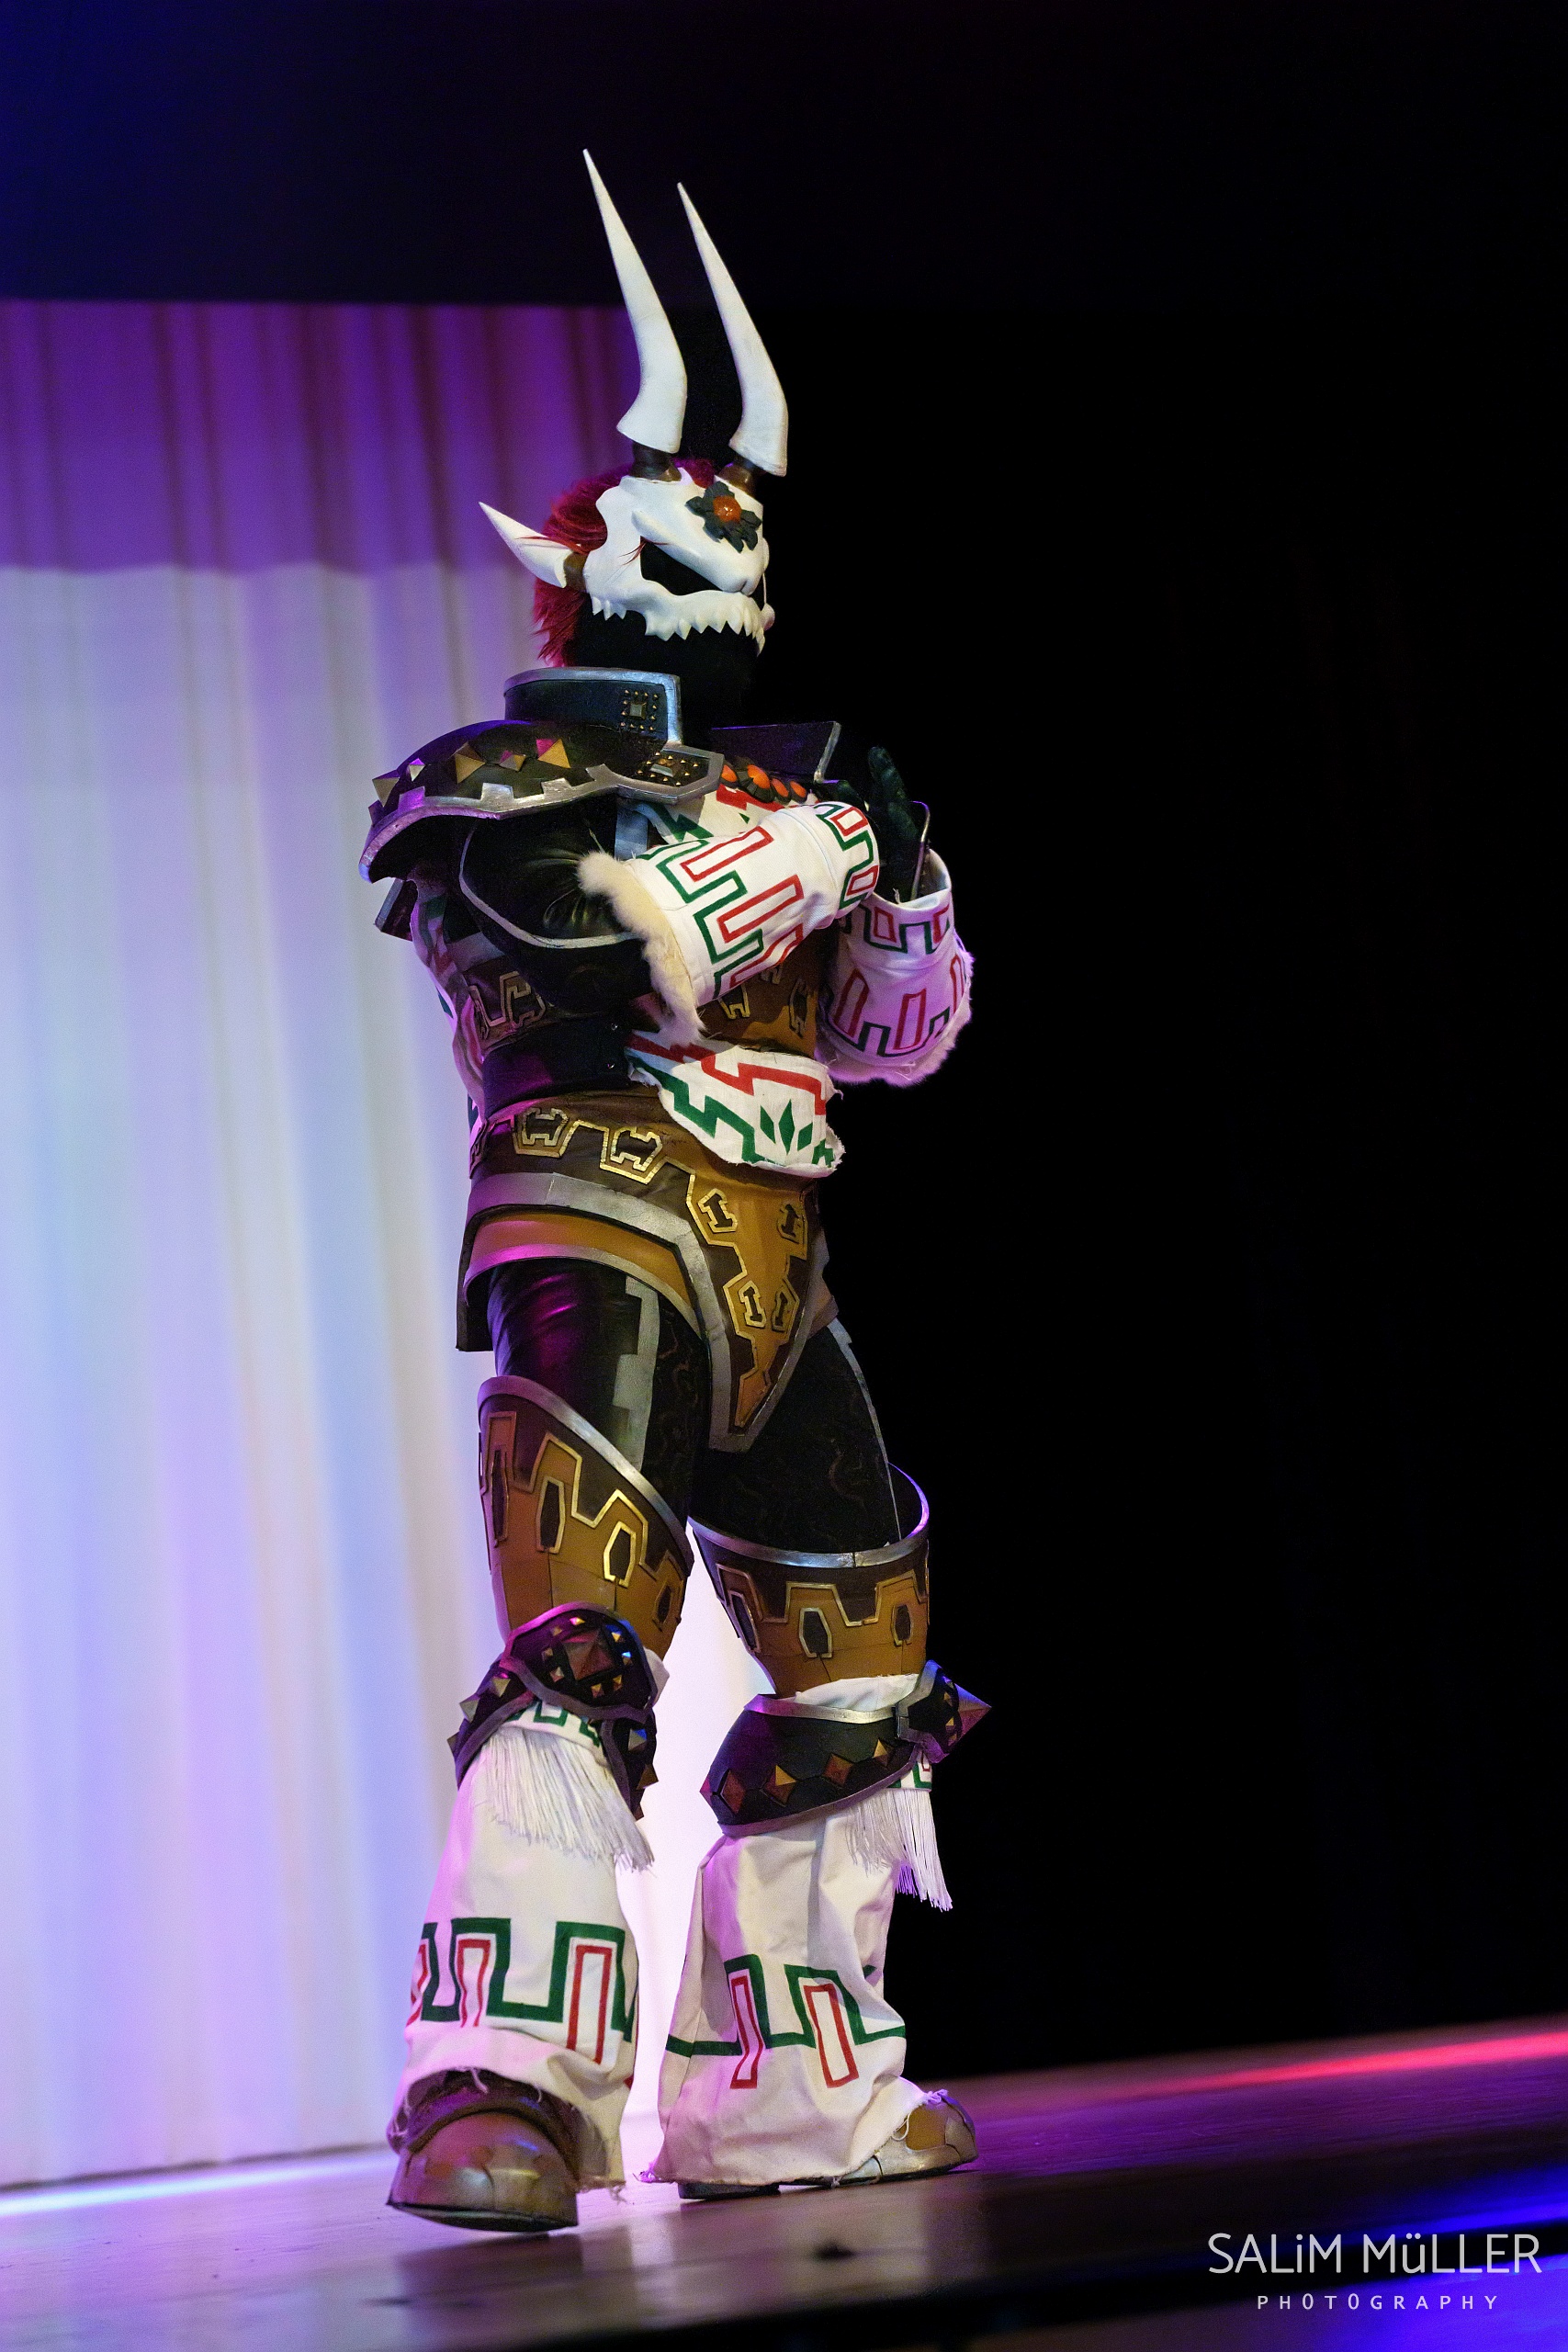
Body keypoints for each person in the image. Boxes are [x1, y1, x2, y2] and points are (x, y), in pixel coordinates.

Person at [361, 157, 982, 2231]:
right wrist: (811, 853)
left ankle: (785, 2086)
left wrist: (899, 874)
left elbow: (889, 1039)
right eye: (683, 524)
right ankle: (503, 2083)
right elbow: (600, 951)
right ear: (582, 560)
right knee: (582, 1650)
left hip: (781, 1260)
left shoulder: (793, 780)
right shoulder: (497, 786)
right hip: (599, 1229)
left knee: (862, 1666)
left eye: (747, 532)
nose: (729, 558)